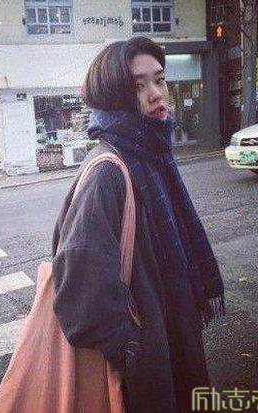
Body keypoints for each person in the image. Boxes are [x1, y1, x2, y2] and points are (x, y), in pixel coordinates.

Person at [51, 37, 225, 413]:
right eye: (138, 86)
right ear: (114, 97)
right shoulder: (108, 172)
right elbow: (81, 297)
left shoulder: (151, 155)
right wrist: (137, 354)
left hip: (173, 339)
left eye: (159, 80)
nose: (156, 94)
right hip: (146, 376)